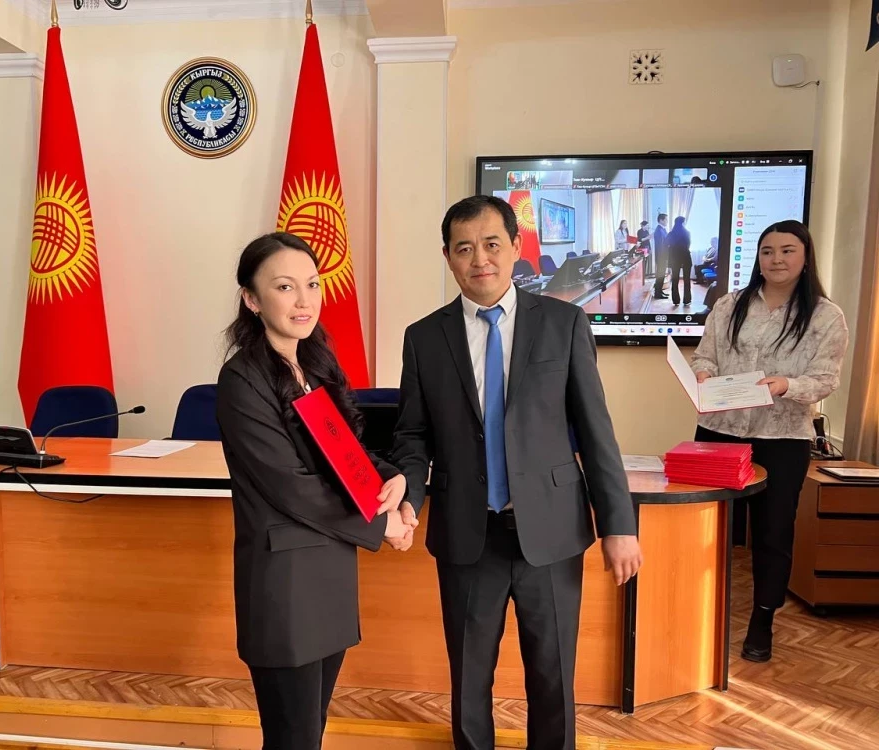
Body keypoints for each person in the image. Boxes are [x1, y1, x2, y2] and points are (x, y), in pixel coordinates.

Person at [390, 195, 642, 750]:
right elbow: (412, 435)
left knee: (553, 677)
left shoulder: (563, 323)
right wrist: (408, 495)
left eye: (491, 244)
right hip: (467, 533)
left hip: (550, 533)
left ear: (516, 247)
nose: (479, 259)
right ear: (448, 257)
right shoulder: (424, 338)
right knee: (469, 679)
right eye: (464, 248)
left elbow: (595, 431)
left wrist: (619, 524)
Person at [216, 232, 417, 750]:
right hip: (285, 586)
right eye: (285, 287)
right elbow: (291, 486)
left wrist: (391, 478)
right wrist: (381, 523)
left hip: (328, 573)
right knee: (292, 738)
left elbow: (343, 453)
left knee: (312, 730)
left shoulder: (314, 365)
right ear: (252, 299)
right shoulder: (242, 380)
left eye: (312, 284)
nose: (304, 300)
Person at [691, 220, 848, 663]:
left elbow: (826, 379)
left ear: (805, 256)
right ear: (757, 258)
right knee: (706, 527)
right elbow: (705, 355)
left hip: (781, 436)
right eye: (767, 251)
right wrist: (701, 373)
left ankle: (762, 621)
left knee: (773, 532)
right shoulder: (729, 305)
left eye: (787, 250)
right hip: (720, 430)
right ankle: (698, 611)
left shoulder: (825, 315)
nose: (776, 259)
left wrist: (786, 385)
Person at [666, 215, 692, 306]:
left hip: (675, 258)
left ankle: (676, 300)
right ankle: (687, 300)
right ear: (683, 223)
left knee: (675, 279)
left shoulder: (671, 234)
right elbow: (688, 245)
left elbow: (666, 245)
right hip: (686, 257)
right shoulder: (687, 233)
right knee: (687, 279)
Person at [652, 213, 669, 299]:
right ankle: (657, 293)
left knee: (662, 275)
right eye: (666, 219)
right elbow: (660, 246)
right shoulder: (659, 231)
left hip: (663, 256)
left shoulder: (662, 229)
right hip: (661, 257)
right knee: (660, 275)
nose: (667, 221)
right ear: (661, 220)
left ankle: (660, 291)